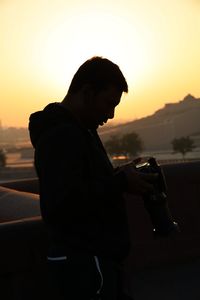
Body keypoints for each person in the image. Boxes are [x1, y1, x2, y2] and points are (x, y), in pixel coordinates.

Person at [29, 56, 156, 300]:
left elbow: (86, 184)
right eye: (109, 103)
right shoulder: (61, 135)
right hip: (84, 267)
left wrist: (120, 175)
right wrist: (120, 183)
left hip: (93, 265)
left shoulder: (81, 130)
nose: (110, 115)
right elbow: (62, 204)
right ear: (87, 92)